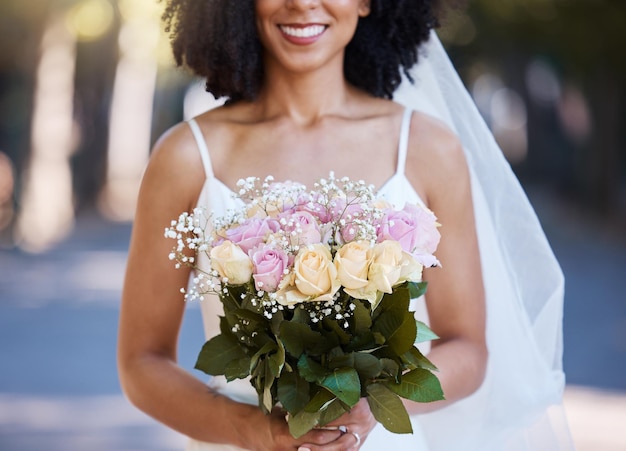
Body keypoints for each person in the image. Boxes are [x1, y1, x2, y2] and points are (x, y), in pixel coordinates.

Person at [118, 1, 572, 450]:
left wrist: (375, 404)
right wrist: (254, 430)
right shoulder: (184, 156)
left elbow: (468, 349)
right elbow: (141, 362)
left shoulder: (428, 149)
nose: (301, 3)